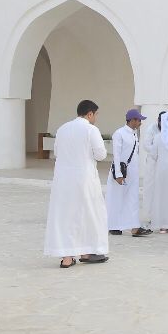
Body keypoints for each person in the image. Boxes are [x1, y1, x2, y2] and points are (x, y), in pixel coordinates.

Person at [44, 100, 111, 268]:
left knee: (66, 215)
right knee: (88, 214)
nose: (96, 118)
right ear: (89, 114)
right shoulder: (90, 129)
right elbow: (101, 154)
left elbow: (58, 152)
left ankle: (66, 257)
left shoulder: (62, 129)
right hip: (84, 179)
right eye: (95, 114)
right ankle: (87, 252)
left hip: (63, 180)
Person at [107, 108, 152, 237]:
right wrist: (119, 174)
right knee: (116, 199)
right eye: (139, 120)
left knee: (132, 200)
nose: (140, 123)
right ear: (132, 120)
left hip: (132, 173)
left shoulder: (133, 134)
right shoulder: (119, 133)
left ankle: (134, 227)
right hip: (120, 173)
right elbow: (116, 155)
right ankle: (113, 226)